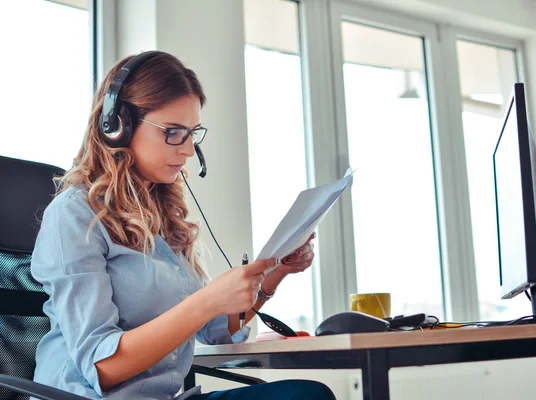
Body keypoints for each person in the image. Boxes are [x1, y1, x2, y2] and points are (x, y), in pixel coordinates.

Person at [31, 51, 336, 400]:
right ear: (116, 127)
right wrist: (207, 301)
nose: (189, 149)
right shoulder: (74, 215)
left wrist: (274, 273)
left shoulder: (162, 212)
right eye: (173, 133)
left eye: (192, 133)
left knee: (305, 394)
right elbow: (103, 367)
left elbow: (216, 330)